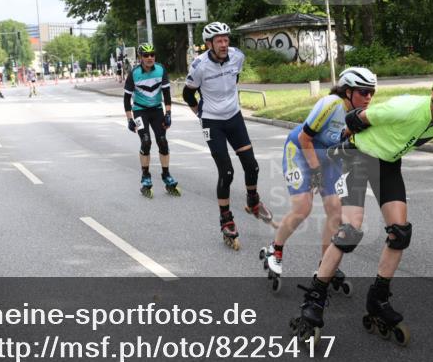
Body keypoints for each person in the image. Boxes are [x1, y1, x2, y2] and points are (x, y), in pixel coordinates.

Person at [291, 70, 433, 346]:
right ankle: (315, 299)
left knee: (400, 233)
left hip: (388, 164)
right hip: (356, 156)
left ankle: (378, 298)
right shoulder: (405, 108)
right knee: (350, 231)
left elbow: (408, 140)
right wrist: (346, 142)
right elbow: (356, 118)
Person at [261, 67, 378, 293]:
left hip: (327, 156)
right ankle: (275, 249)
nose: (368, 97)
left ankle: (325, 265)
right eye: (363, 92)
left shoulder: (360, 116)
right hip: (300, 150)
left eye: (371, 92)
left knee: (335, 209)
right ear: (347, 91)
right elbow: (305, 138)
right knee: (302, 207)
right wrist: (315, 172)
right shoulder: (331, 104)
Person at [182, 21, 273, 250]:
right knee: (227, 172)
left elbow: (234, 80)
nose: (224, 44)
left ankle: (253, 201)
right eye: (219, 41)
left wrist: (229, 103)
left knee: (252, 166)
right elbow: (187, 94)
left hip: (234, 117)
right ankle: (226, 219)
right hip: (212, 122)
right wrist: (200, 115)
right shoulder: (199, 66)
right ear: (209, 44)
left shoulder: (237, 57)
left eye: (226, 39)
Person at [125, 43, 177, 197]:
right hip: (140, 110)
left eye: (152, 54)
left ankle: (166, 174)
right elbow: (126, 98)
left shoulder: (160, 70)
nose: (150, 58)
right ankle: (145, 175)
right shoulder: (134, 73)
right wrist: (129, 119)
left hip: (156, 110)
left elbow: (167, 94)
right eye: (146, 55)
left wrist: (168, 114)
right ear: (140, 57)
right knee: (146, 141)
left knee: (162, 141)